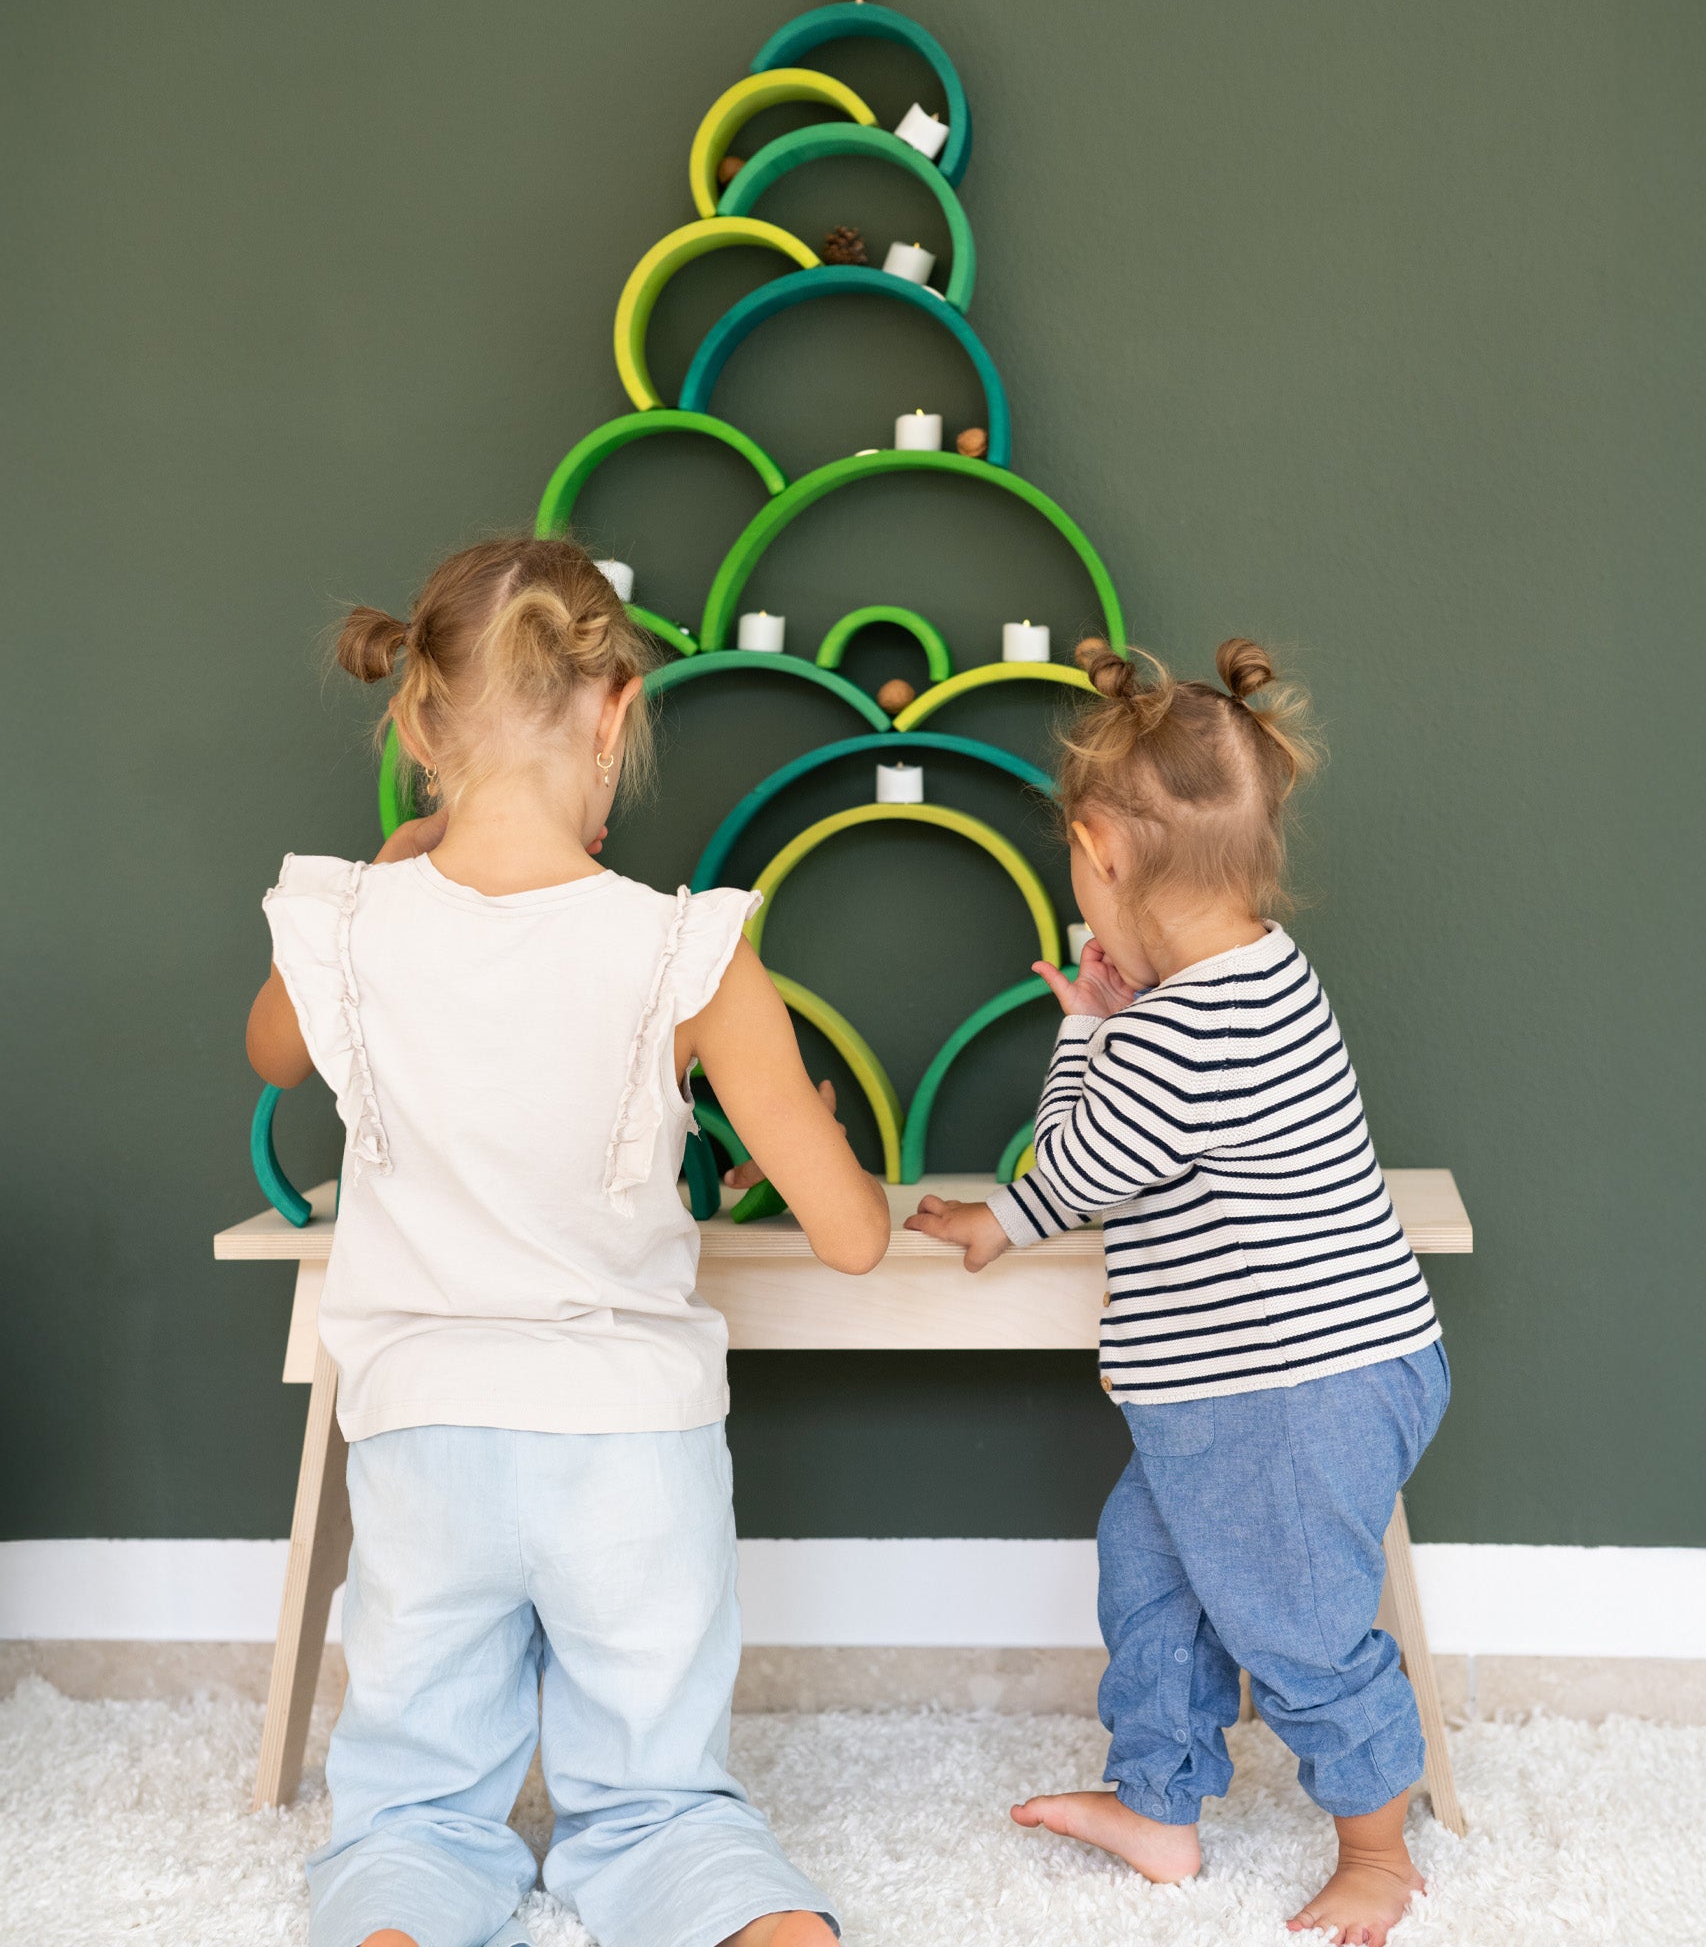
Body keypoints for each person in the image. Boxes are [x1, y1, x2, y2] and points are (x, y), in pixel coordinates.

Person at [246, 535, 889, 1947]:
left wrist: (392, 865)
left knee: (412, 1810)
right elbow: (847, 1237)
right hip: (629, 1450)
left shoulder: (343, 924)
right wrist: (817, 1130)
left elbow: (274, 1050)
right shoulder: (688, 955)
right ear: (613, 715)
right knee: (665, 1806)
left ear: (414, 718)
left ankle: (401, 1920)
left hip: (424, 1436)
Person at [907, 637, 1447, 1947]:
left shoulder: (1180, 1027)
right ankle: (1158, 1800)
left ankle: (1376, 1848)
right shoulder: (1247, 978)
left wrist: (1005, 1199)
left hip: (1287, 1389)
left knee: (1298, 1622)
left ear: (1097, 851)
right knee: (1148, 1570)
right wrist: (1109, 1017)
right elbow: (1125, 1141)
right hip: (1257, 1387)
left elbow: (1077, 1168)